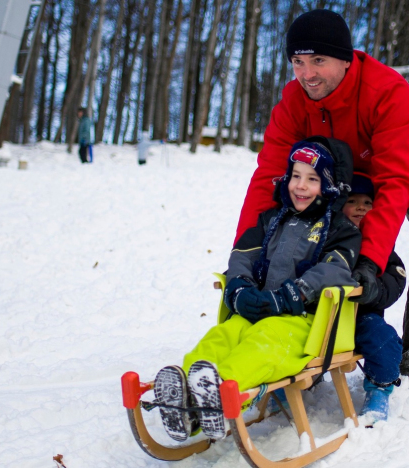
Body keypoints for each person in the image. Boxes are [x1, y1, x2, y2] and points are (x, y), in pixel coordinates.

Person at [234, 9, 409, 391]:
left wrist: (369, 263)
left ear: (346, 58)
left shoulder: (386, 91)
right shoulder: (293, 101)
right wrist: (245, 251)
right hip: (340, 171)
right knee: (316, 237)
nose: (307, 74)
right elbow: (269, 178)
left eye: (318, 60)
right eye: (298, 62)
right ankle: (310, 340)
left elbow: (394, 182)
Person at [152, 139, 361, 442]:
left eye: (312, 179)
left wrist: (293, 295)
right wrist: (239, 287)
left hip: (303, 322)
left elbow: (334, 269)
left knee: (263, 345)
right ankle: (185, 396)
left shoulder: (340, 229)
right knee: (224, 335)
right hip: (260, 308)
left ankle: (223, 392)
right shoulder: (272, 220)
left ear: (328, 185)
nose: (300, 186)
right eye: (296, 175)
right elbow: (243, 254)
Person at [343, 173, 406, 420]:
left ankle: (380, 388)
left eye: (368, 202)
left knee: (384, 341)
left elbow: (396, 275)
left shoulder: (380, 243)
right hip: (324, 320)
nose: (361, 207)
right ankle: (288, 387)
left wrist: (376, 291)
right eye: (352, 201)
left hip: (362, 317)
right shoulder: (327, 236)